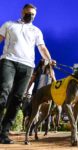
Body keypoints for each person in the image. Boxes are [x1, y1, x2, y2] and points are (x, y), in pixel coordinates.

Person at [0, 3, 56, 144]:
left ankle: (4, 133)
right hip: (9, 61)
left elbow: (42, 47)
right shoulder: (9, 25)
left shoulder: (36, 31)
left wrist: (49, 60)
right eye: (28, 13)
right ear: (22, 12)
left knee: (18, 98)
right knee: (3, 91)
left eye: (33, 15)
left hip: (27, 66)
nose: (30, 16)